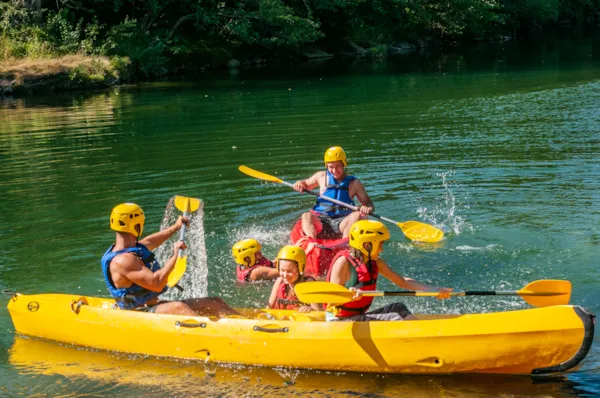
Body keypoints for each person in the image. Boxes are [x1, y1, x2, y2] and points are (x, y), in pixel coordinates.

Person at [101, 202, 239, 317]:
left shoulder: (131, 248)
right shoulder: (123, 261)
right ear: (137, 226)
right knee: (179, 307)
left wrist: (176, 227)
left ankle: (246, 326)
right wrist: (174, 256)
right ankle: (219, 338)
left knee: (214, 302)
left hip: (154, 306)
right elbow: (156, 283)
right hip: (138, 314)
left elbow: (151, 241)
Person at [325, 220, 452, 321]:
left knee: (398, 307)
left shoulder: (375, 262)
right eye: (380, 245)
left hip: (355, 317)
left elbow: (402, 281)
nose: (382, 249)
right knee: (396, 315)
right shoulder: (343, 263)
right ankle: (423, 341)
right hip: (339, 321)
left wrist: (433, 290)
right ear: (367, 245)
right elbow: (331, 299)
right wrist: (349, 295)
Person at [293, 146, 374, 239]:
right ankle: (311, 242)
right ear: (326, 166)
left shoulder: (354, 183)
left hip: (342, 222)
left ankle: (345, 243)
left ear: (344, 164)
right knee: (306, 216)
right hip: (321, 219)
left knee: (357, 215)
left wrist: (367, 208)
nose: (335, 171)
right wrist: (300, 183)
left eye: (338, 166)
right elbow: (305, 184)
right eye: (331, 167)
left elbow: (369, 203)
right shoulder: (321, 176)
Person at [268, 246, 320, 312]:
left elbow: (318, 311)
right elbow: (268, 308)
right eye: (282, 270)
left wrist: (310, 310)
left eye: (289, 271)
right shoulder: (279, 281)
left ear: (300, 269)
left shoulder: (308, 283)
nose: (285, 275)